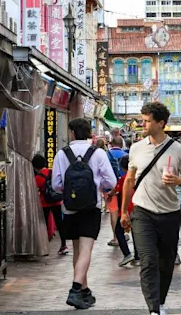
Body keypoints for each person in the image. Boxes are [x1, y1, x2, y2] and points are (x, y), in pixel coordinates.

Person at [121, 102, 181, 315]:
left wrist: (179, 181)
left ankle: (160, 301)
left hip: (170, 214)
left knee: (165, 263)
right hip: (142, 212)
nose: (142, 124)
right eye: (142, 119)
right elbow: (129, 180)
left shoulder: (178, 150)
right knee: (148, 261)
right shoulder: (136, 148)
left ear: (160, 123)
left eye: (146, 120)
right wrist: (125, 210)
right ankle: (154, 309)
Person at [51, 118, 118, 310]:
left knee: (78, 250)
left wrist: (70, 190)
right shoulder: (98, 153)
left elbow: (56, 184)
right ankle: (75, 290)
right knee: (86, 250)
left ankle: (84, 291)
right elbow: (111, 182)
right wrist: (98, 187)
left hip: (69, 208)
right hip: (91, 207)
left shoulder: (62, 154)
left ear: (72, 132)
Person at [33, 153, 68, 255]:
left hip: (45, 203)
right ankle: (64, 245)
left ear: (35, 166)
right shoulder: (52, 172)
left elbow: (36, 190)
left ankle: (44, 247)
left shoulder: (38, 177)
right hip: (56, 201)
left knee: (43, 224)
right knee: (59, 223)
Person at [112, 155, 135, 267]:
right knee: (137, 232)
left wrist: (110, 195)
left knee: (118, 231)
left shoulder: (123, 179)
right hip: (138, 208)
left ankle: (127, 254)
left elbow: (115, 190)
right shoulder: (137, 177)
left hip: (126, 210)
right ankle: (139, 256)